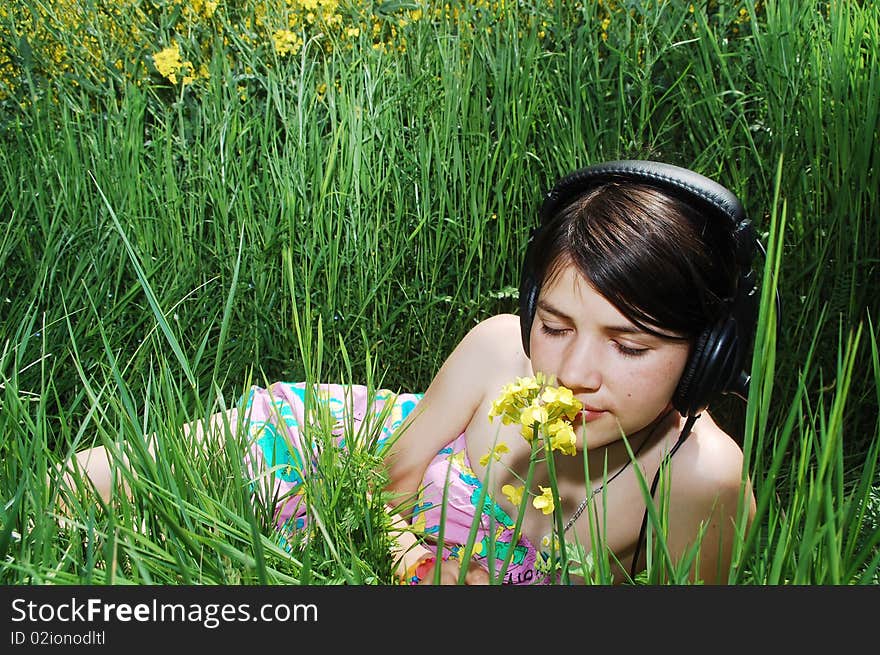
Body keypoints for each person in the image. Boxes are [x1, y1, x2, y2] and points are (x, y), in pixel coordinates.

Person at [60, 160, 760, 585]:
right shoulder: (496, 348)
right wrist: (415, 564)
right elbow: (382, 483)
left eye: (629, 345)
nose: (572, 371)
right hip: (325, 441)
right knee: (69, 489)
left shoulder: (697, 480)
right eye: (552, 325)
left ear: (708, 353)